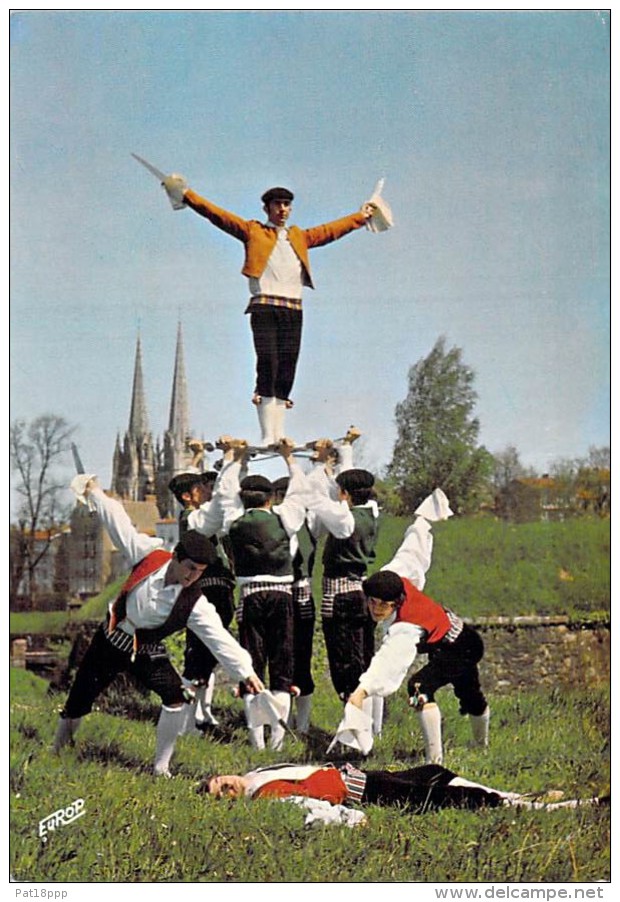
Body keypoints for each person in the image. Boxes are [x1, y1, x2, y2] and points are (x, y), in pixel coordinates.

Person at [53, 476, 263, 777]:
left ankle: (161, 767)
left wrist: (246, 672)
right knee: (79, 699)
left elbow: (220, 638)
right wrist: (94, 493)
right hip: (110, 639)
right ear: (176, 558)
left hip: (146, 650)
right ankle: (58, 750)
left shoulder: (195, 603)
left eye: (200, 572)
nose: (193, 576)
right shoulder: (149, 554)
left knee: (175, 698)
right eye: (190, 568)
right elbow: (118, 522)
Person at [161, 174, 380, 446]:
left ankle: (279, 432)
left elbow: (331, 230)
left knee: (287, 367)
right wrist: (187, 194)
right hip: (264, 305)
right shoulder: (253, 231)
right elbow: (217, 215)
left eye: (287, 204)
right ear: (267, 208)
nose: (282, 210)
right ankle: (267, 434)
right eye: (277, 205)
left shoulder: (300, 236)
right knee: (268, 362)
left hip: (293, 307)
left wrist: (361, 216)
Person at [347, 494, 489, 766]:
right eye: (372, 603)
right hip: (452, 639)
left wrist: (361, 691)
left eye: (384, 605)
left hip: (462, 644)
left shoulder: (406, 625)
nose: (377, 609)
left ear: (396, 602)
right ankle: (479, 748)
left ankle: (435, 762)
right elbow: (411, 550)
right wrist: (422, 520)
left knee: (419, 687)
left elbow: (390, 660)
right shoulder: (395, 575)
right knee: (469, 693)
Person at [191, 436, 309, 750]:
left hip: (250, 598)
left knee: (251, 664)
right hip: (283, 597)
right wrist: (289, 457)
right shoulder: (286, 518)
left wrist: (233, 458)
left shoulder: (233, 520)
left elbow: (224, 492)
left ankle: (257, 740)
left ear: (245, 498)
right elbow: (300, 489)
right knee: (282, 664)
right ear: (271, 499)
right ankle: (278, 741)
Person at [201, 761, 606, 818]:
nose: (228, 790)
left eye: (221, 784)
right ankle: (570, 806)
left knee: (436, 771)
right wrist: (349, 817)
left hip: (366, 774)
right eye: (222, 796)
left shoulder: (257, 774)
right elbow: (311, 806)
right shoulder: (264, 796)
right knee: (455, 799)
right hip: (366, 793)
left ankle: (518, 797)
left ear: (224, 774)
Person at [305, 439, 379, 713]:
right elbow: (342, 493)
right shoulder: (370, 513)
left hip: (339, 597)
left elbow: (318, 499)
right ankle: (371, 730)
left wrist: (319, 464)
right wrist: (343, 452)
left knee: (345, 667)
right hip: (361, 594)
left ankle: (357, 733)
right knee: (364, 662)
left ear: (345, 494)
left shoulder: (344, 520)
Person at [168, 469, 236, 729]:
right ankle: (186, 718)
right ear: (188, 497)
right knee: (199, 654)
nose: (207, 491)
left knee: (206, 654)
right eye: (200, 488)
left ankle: (198, 714)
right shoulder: (193, 518)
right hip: (209, 589)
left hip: (218, 588)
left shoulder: (196, 514)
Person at [272, 476, 317, 733]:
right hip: (285, 595)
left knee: (299, 654)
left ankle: (301, 723)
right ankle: (284, 719)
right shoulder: (289, 525)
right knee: (282, 655)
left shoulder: (306, 526)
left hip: (298, 594)